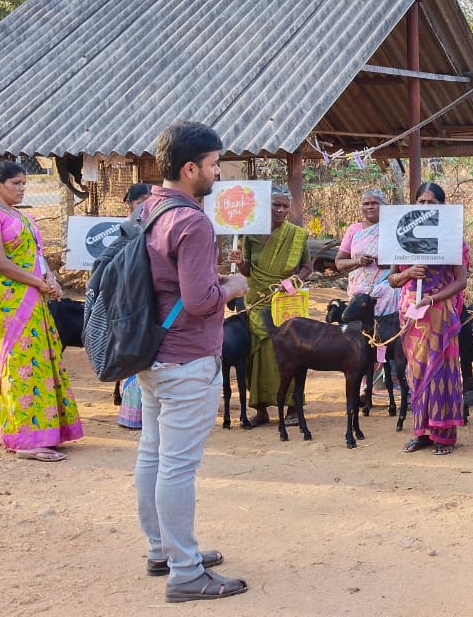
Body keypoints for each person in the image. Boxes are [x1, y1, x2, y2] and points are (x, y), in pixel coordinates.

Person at [137, 121, 249, 602]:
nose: (217, 172)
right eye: (212, 164)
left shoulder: (149, 209)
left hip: (151, 353)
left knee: (153, 455)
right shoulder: (192, 221)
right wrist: (232, 287)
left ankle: (163, 550)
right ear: (190, 168)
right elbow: (201, 300)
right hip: (187, 358)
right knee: (177, 467)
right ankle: (185, 573)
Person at [0, 160, 79, 462]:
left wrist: (51, 280)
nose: (21, 189)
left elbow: (37, 256)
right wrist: (38, 284)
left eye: (24, 183)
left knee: (41, 363)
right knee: (21, 366)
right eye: (15, 183)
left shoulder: (24, 217)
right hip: (10, 303)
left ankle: (47, 433)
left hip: (34, 301)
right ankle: (25, 440)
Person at [388, 182, 468, 456]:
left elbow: (461, 280)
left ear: (442, 207)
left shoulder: (450, 237)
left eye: (431, 203)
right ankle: (421, 432)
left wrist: (433, 299)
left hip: (438, 313)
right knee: (416, 372)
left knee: (441, 372)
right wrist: (409, 271)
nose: (425, 207)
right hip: (411, 314)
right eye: (420, 202)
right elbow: (392, 280)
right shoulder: (402, 235)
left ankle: (444, 434)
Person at [226, 185, 313, 427]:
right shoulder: (250, 234)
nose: (282, 210)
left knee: (289, 352)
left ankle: (293, 407)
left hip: (286, 302)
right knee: (258, 354)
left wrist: (294, 281)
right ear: (266, 206)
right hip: (257, 301)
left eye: (286, 205)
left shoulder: (296, 235)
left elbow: (307, 267)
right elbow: (248, 270)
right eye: (277, 205)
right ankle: (261, 409)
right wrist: (240, 261)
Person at [117, 181, 154, 430]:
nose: (144, 207)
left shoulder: (156, 226)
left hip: (152, 299)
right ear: (131, 205)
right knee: (137, 355)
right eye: (140, 203)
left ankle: (147, 415)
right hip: (132, 300)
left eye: (148, 202)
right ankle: (134, 415)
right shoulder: (127, 229)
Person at [335, 188, 401, 317]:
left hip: (387, 287)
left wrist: (385, 262)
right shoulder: (354, 230)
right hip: (358, 290)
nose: (370, 207)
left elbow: (404, 260)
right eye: (366, 204)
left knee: (386, 329)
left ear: (383, 206)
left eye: (374, 203)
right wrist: (358, 262)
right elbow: (339, 263)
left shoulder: (394, 228)